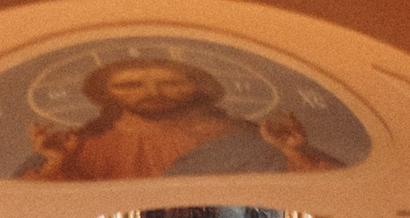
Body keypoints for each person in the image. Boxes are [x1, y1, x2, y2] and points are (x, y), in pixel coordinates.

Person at [29, 53, 339, 185]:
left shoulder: (240, 137)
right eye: (130, 84)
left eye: (172, 82)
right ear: (106, 93)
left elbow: (320, 192)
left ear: (199, 87)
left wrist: (292, 151)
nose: (153, 92)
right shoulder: (82, 147)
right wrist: (56, 164)